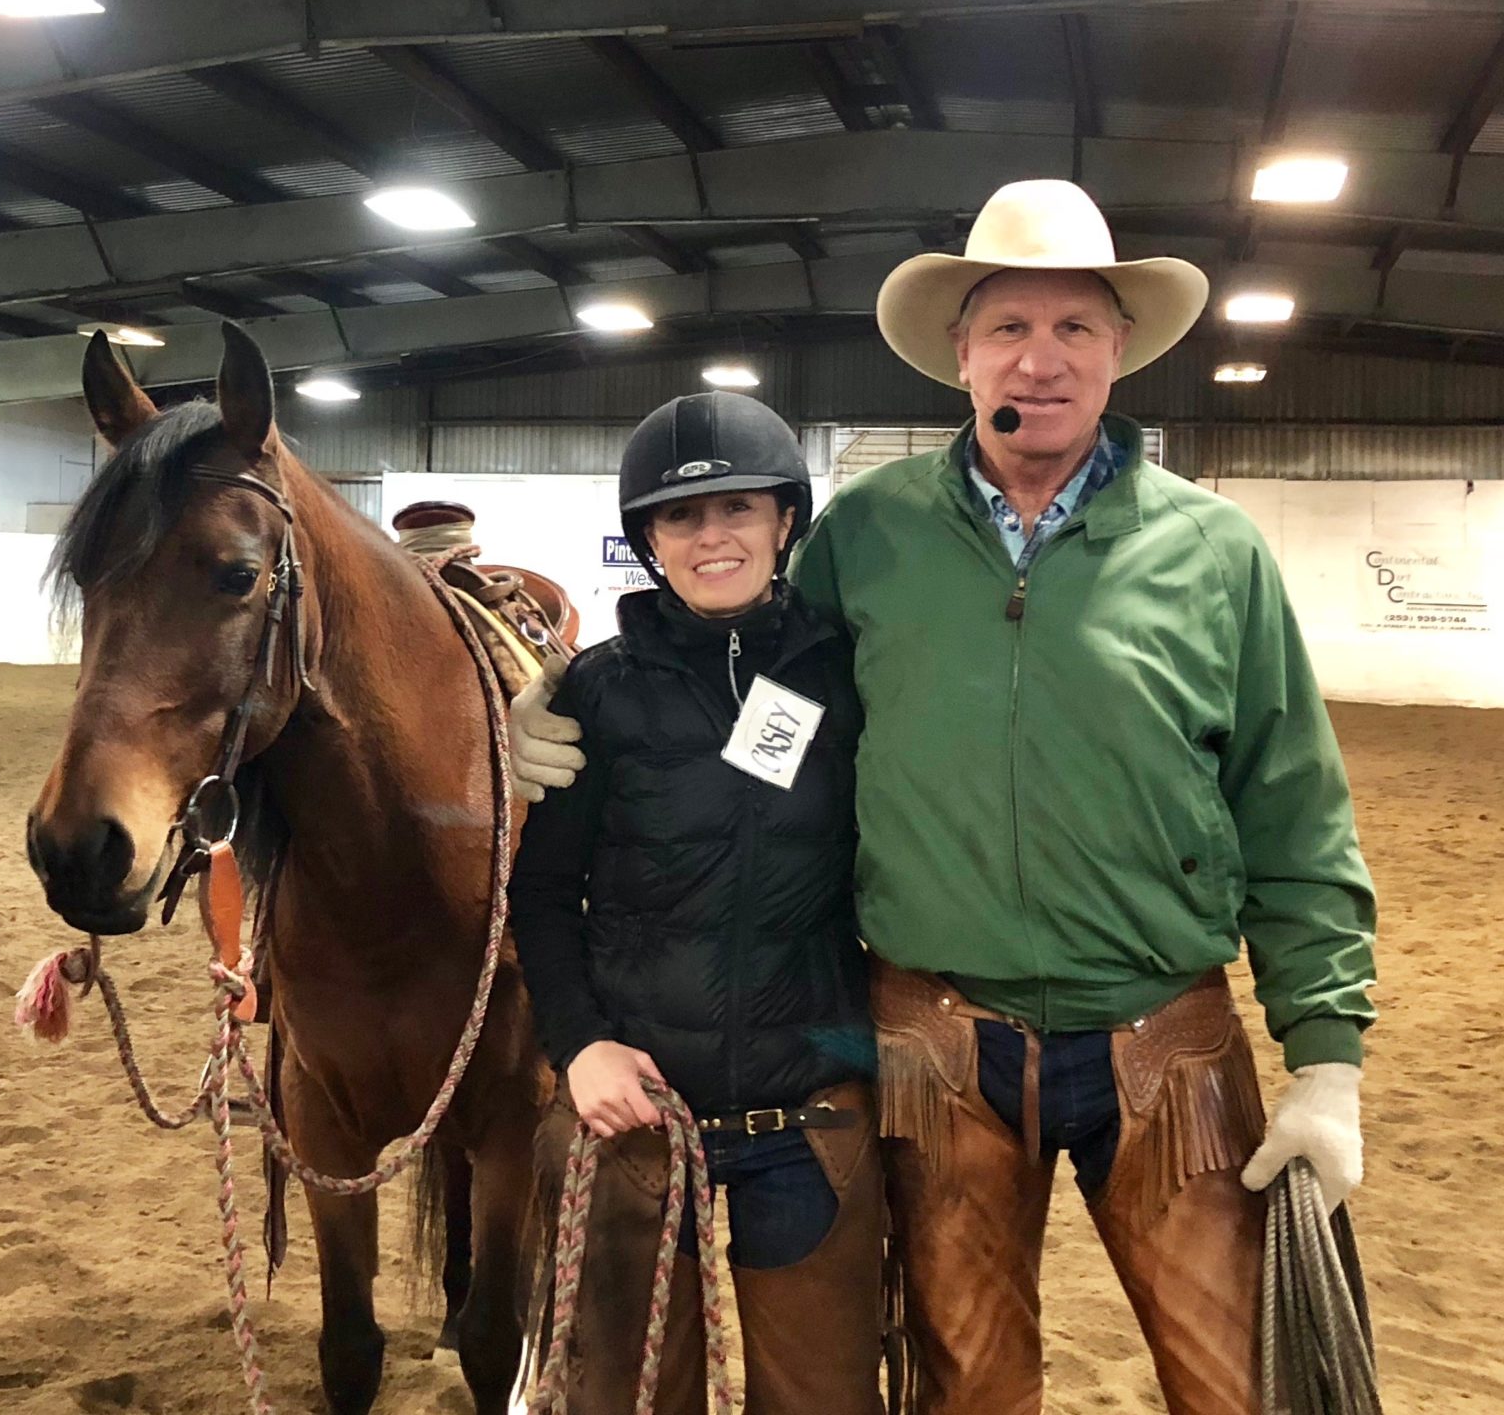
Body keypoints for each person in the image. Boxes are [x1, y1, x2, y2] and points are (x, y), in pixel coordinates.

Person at [511, 181, 1379, 1414]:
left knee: (1232, 1376)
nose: (1045, 356)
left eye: (1077, 327)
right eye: (1011, 328)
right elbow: (736, 665)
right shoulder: (866, 534)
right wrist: (550, 713)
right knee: (965, 1378)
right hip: (940, 1045)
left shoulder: (1215, 552)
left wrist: (1328, 1056)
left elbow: (1294, 805)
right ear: (961, 357)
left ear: (1119, 350)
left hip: (1161, 1040)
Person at [510, 389, 883, 1414]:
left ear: (784, 522)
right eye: (683, 515)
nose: (713, 535)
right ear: (649, 539)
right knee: (621, 1395)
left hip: (807, 1102)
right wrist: (578, 1044)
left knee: (826, 1396)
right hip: (637, 1106)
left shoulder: (852, 676)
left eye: (739, 508)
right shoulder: (595, 692)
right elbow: (540, 897)